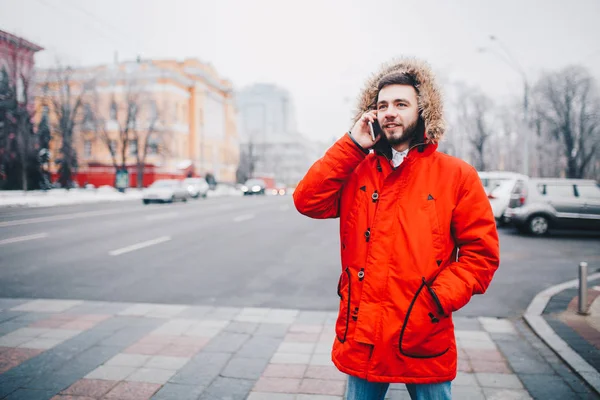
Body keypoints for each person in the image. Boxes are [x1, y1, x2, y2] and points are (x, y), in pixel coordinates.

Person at [293, 58, 500, 400]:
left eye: (401, 104)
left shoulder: (456, 175)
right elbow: (307, 201)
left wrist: (435, 300)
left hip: (422, 333)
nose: (390, 112)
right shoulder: (358, 170)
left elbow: (481, 255)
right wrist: (352, 144)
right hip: (364, 335)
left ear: (423, 111)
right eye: (382, 105)